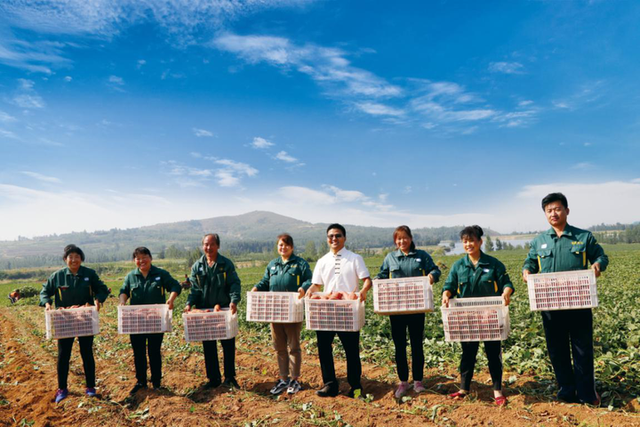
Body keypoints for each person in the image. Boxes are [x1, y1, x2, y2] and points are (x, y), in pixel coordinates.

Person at [523, 192, 608, 405]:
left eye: (557, 209)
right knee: (557, 349)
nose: (553, 213)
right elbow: (530, 263)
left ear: (567, 211)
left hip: (578, 301)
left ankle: (587, 393)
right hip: (550, 304)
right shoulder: (539, 241)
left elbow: (601, 256)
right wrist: (526, 272)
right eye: (549, 210)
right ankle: (566, 391)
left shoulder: (583, 237)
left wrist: (597, 265)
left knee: (582, 349)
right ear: (545, 214)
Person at [442, 226, 514, 406]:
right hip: (467, 317)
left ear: (480, 242)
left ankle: (497, 390)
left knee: (493, 353)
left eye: (472, 240)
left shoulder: (493, 263)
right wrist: (446, 294)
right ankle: (464, 388)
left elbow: (506, 282)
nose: (468, 244)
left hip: (490, 316)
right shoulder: (458, 265)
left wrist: (506, 292)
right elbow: (449, 286)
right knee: (467, 353)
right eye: (465, 241)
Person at [306, 223, 372, 398]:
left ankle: (356, 386)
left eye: (338, 235)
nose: (334, 239)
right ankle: (330, 384)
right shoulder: (322, 261)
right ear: (327, 239)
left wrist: (363, 291)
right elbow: (317, 284)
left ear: (344, 238)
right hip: (326, 310)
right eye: (331, 236)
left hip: (347, 310)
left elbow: (367, 279)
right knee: (324, 348)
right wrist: (310, 291)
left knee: (351, 349)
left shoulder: (354, 258)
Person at [376, 225, 441, 399]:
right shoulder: (390, 257)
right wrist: (376, 282)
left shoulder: (421, 256)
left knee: (417, 344)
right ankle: (403, 381)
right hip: (396, 309)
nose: (402, 241)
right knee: (399, 346)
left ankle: (418, 380)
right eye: (398, 238)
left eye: (405, 238)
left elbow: (435, 270)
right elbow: (382, 275)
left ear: (410, 239)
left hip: (417, 307)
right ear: (395, 241)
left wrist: (431, 276)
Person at [39, 244, 110, 403]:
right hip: (64, 319)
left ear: (81, 259)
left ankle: (90, 387)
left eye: (77, 257)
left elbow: (102, 289)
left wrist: (99, 299)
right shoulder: (57, 276)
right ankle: (62, 388)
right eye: (71, 257)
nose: (74, 260)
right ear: (65, 259)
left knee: (87, 353)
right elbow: (44, 292)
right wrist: (47, 303)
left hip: (85, 318)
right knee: (64, 354)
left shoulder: (89, 274)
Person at [251, 233, 312, 395]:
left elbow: (309, 280)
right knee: (279, 347)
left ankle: (295, 379)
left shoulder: (300, 264)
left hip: (292, 310)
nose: (282, 248)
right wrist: (257, 287)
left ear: (291, 247)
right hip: (275, 310)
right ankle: (284, 378)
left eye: (285, 245)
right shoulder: (273, 265)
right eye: (280, 245)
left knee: (293, 346)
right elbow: (265, 281)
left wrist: (303, 288)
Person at [119, 247, 181, 394]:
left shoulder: (160, 274)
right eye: (138, 258)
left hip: (155, 319)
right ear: (134, 261)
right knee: (138, 351)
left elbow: (175, 286)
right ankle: (141, 382)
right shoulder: (131, 276)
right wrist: (122, 302)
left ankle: (156, 382)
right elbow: (124, 291)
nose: (141, 261)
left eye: (144, 257)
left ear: (150, 258)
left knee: (154, 351)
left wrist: (171, 299)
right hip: (136, 321)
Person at [185, 233, 242, 389]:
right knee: (208, 345)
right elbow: (195, 290)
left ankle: (230, 378)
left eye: (211, 244)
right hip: (206, 312)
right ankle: (213, 379)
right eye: (205, 244)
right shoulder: (197, 266)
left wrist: (233, 300)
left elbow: (234, 284)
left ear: (218, 246)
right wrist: (190, 303)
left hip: (223, 310)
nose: (208, 247)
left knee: (228, 344)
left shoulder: (226, 264)